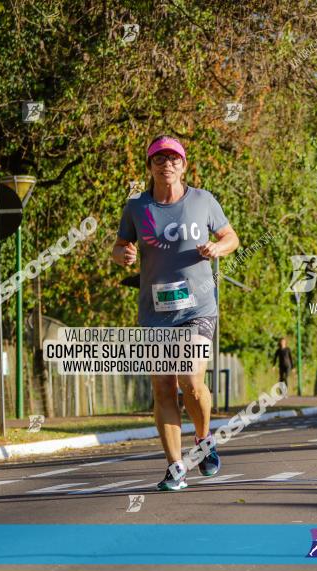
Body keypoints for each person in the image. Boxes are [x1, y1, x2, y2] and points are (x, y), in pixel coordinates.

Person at [112, 135, 240, 491]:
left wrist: (218, 247)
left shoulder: (203, 200)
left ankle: (203, 439)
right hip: (155, 312)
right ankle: (175, 467)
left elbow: (232, 237)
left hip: (198, 307)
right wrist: (122, 254)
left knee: (190, 379)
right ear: (150, 166)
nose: (166, 164)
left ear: (184, 165)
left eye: (173, 158)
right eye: (158, 159)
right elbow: (121, 244)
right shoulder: (137, 207)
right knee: (163, 387)